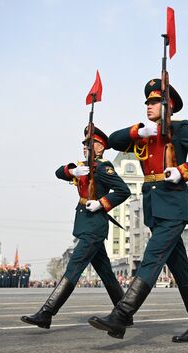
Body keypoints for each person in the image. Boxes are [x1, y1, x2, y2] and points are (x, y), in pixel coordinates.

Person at [88, 79, 188, 342]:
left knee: (151, 259)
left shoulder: (179, 129)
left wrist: (182, 172)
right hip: (155, 209)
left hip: (173, 206)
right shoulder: (145, 133)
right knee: (181, 270)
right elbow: (113, 140)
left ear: (167, 105)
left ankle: (122, 314)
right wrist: (139, 132)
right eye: (147, 102)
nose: (148, 106)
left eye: (154, 102)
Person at [21, 126, 131, 329]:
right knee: (106, 273)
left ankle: (47, 313)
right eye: (84, 145)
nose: (84, 148)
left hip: (95, 225)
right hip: (86, 223)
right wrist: (72, 170)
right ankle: (125, 313)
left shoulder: (103, 168)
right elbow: (57, 173)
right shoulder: (84, 167)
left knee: (74, 267)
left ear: (100, 148)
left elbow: (123, 190)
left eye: (89, 145)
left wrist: (102, 203)